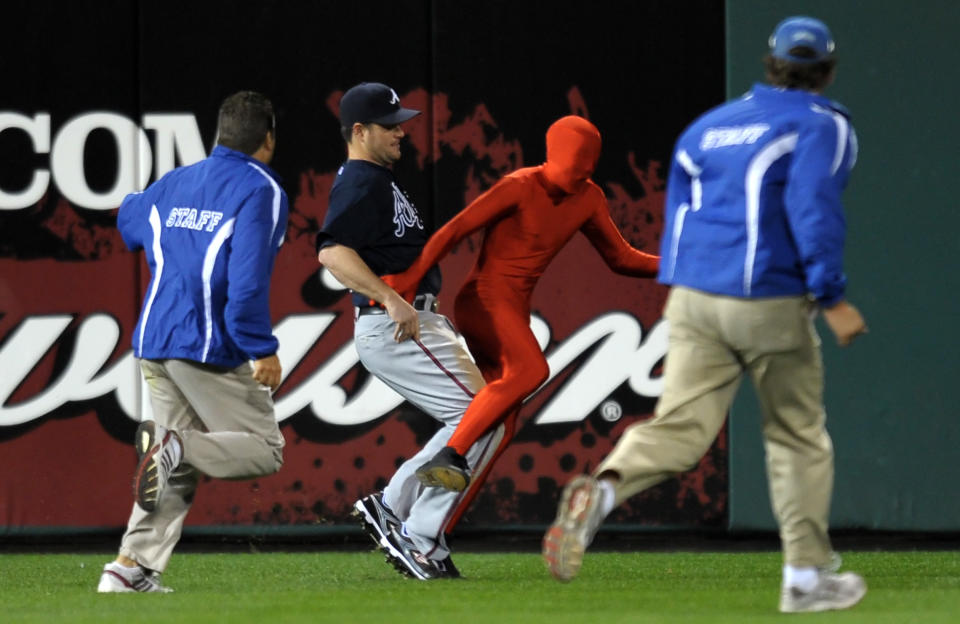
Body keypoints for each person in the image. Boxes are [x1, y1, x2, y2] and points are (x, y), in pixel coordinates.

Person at [541, 16, 869, 614]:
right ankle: (803, 577)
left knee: (679, 430)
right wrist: (832, 297)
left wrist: (688, 291)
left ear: (770, 63)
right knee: (796, 436)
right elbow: (812, 209)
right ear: (826, 70)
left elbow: (682, 219)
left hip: (693, 297)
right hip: (766, 298)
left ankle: (606, 491)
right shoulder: (822, 123)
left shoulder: (709, 127)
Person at [385, 115, 660, 532]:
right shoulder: (519, 185)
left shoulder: (589, 197)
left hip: (513, 307)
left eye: (588, 165)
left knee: (504, 423)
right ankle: (452, 454)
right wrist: (407, 280)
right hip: (483, 301)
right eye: (574, 164)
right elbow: (454, 231)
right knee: (533, 369)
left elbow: (621, 258)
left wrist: (685, 266)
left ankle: (430, 531)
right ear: (554, 156)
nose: (581, 174)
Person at [97, 91, 288, 593]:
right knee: (264, 449)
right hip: (206, 345)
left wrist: (149, 211)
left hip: (154, 339)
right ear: (268, 138)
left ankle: (130, 567)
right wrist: (260, 347)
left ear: (219, 134)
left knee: (171, 468)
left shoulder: (175, 181)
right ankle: (173, 444)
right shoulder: (259, 189)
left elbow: (128, 218)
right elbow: (245, 284)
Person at [315, 82, 505, 580]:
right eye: (389, 125)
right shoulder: (360, 179)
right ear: (358, 131)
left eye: (401, 122)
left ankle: (397, 509)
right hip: (396, 323)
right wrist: (389, 297)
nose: (402, 132)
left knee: (474, 420)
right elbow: (332, 252)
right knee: (480, 418)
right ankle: (414, 531)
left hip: (407, 319)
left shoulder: (376, 177)